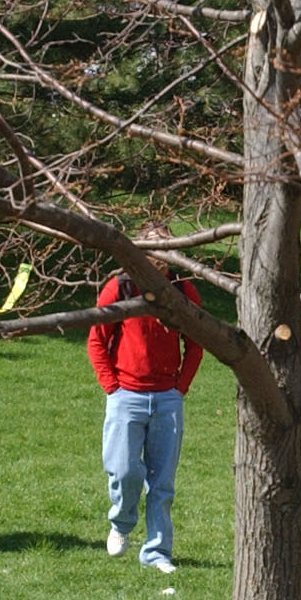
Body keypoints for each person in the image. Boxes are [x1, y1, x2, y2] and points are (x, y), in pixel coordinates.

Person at [86, 223, 204, 575]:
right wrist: (112, 386)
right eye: (153, 248)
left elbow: (196, 342)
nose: (159, 256)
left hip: (167, 398)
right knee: (124, 470)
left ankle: (157, 553)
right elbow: (97, 340)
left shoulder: (182, 289)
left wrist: (180, 387)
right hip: (126, 395)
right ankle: (121, 524)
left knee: (162, 481)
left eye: (166, 247)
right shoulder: (120, 287)